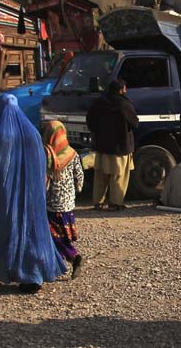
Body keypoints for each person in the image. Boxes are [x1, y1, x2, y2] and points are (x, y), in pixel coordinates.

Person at [0, 94, 67, 293]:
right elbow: (41, 164)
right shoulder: (31, 132)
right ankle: (32, 276)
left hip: (2, 198)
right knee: (31, 231)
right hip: (32, 197)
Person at [86, 79, 139, 211]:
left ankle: (98, 202)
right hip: (121, 146)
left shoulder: (99, 103)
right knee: (119, 176)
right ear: (121, 90)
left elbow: (90, 120)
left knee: (100, 176)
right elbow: (134, 123)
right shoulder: (124, 104)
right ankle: (115, 202)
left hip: (102, 146)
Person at [44, 120, 85, 279]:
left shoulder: (47, 154)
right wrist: (77, 190)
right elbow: (79, 175)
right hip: (67, 204)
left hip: (52, 204)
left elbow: (44, 179)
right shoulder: (72, 153)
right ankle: (57, 265)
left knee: (53, 235)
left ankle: (73, 256)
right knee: (59, 236)